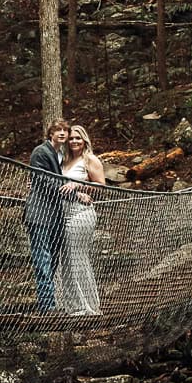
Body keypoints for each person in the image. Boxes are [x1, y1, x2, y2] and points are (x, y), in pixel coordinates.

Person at [53, 122, 106, 316]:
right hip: (61, 214)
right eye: (71, 138)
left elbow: (101, 186)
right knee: (64, 258)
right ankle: (71, 305)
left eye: (78, 138)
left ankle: (87, 305)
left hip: (81, 213)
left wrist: (79, 187)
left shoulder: (90, 160)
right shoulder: (62, 160)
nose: (74, 141)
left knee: (76, 256)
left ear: (84, 140)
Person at [24, 118, 70, 311]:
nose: (62, 133)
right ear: (50, 133)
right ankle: (47, 305)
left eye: (65, 131)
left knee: (51, 259)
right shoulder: (41, 152)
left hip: (54, 216)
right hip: (39, 214)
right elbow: (43, 180)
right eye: (57, 130)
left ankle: (48, 301)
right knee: (42, 258)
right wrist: (73, 193)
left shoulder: (59, 155)